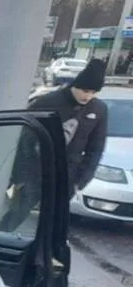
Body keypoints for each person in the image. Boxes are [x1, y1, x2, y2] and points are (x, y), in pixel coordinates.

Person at [28, 57, 108, 193]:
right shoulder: (48, 102)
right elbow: (25, 137)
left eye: (93, 93)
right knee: (20, 211)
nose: (88, 96)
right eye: (85, 91)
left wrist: (81, 180)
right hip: (37, 171)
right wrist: (21, 175)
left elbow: (96, 148)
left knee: (55, 214)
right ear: (76, 85)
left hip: (68, 176)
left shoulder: (98, 109)